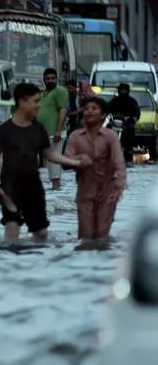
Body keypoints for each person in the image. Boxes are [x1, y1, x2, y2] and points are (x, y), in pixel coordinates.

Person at [0, 82, 88, 243]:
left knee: (41, 234)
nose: (39, 106)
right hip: (10, 186)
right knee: (12, 234)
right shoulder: (4, 130)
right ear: (22, 102)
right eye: (36, 101)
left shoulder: (38, 129)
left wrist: (74, 162)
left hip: (34, 186)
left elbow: (50, 153)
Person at [65, 96, 127, 241]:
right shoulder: (75, 136)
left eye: (94, 109)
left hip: (107, 193)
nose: (89, 112)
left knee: (101, 234)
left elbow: (119, 163)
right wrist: (79, 160)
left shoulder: (110, 137)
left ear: (103, 114)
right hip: (84, 192)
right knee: (85, 235)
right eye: (86, 109)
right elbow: (65, 161)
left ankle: (101, 262)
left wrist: (119, 188)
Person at [37, 68, 69, 190]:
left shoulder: (60, 91)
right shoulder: (45, 93)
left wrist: (58, 130)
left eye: (53, 78)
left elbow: (63, 110)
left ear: (56, 79)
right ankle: (53, 190)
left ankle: (56, 188)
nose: (50, 80)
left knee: (54, 163)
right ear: (44, 80)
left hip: (54, 133)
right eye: (48, 78)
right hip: (44, 134)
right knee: (48, 163)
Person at [108, 82, 142, 162]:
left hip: (127, 120)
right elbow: (107, 109)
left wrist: (135, 117)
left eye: (125, 90)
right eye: (121, 90)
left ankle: (129, 148)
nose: (123, 92)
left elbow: (136, 111)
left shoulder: (132, 101)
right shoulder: (114, 100)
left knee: (130, 128)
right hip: (115, 120)